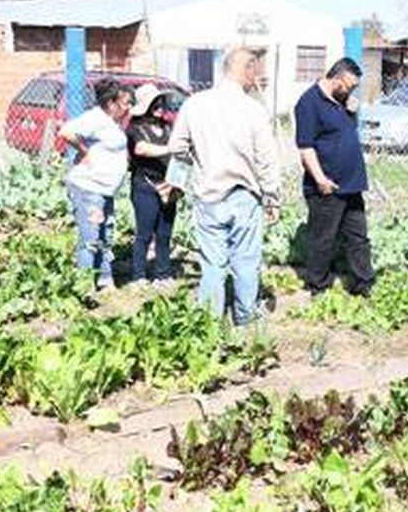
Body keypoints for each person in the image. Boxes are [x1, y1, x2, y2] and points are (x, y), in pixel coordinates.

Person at [168, 47, 282, 325]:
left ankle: (209, 324)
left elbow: (178, 147)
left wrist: (177, 183)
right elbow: (266, 158)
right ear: (247, 69)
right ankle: (245, 320)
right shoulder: (253, 110)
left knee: (212, 264)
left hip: (208, 195)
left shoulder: (195, 104)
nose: (256, 77)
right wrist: (272, 197)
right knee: (245, 262)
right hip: (244, 196)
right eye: (255, 71)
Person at [294, 57, 374, 296]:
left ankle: (363, 284)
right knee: (323, 239)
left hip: (352, 184)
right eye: (349, 86)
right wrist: (320, 180)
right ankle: (318, 286)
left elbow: (346, 132)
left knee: (358, 237)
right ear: (337, 79)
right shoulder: (308, 103)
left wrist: (353, 112)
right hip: (327, 185)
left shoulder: (342, 102)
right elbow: (305, 147)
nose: (351, 90)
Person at [59, 78, 134, 290]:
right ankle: (85, 286)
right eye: (125, 103)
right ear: (111, 103)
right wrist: (83, 151)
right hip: (89, 188)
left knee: (105, 235)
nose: (128, 107)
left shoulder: (111, 123)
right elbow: (66, 131)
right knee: (91, 239)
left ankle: (104, 279)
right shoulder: (95, 118)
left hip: (104, 190)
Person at [124, 83, 179, 287]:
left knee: (164, 233)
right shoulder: (135, 128)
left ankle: (162, 274)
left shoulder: (167, 127)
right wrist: (170, 148)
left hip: (167, 186)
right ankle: (138, 275)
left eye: (161, 102)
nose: (159, 106)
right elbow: (141, 149)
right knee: (144, 233)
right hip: (145, 186)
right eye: (155, 103)